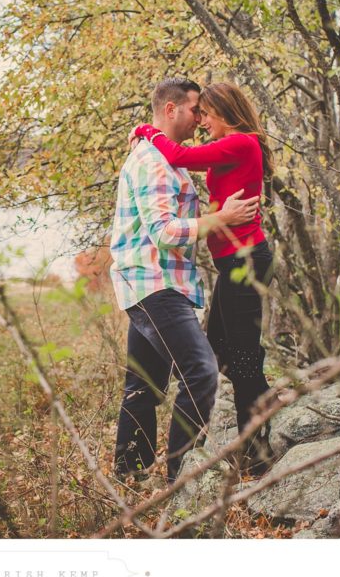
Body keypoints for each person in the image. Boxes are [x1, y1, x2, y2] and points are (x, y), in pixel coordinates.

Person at [109, 77, 259, 484]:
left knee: (143, 383)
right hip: (155, 284)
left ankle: (129, 474)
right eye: (196, 109)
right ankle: (181, 476)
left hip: (152, 282)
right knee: (201, 371)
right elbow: (164, 232)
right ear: (171, 109)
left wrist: (146, 131)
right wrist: (222, 218)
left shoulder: (163, 157)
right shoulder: (154, 163)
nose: (200, 118)